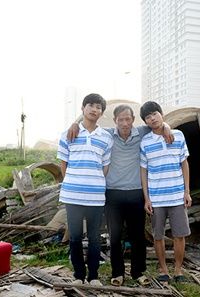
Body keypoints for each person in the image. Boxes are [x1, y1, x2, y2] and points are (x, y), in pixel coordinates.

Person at [67, 104, 173, 286]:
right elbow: (88, 123)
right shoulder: (107, 134)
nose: (125, 123)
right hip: (113, 195)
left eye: (128, 119)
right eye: (120, 120)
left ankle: (138, 272)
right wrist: (74, 124)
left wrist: (168, 127)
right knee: (115, 236)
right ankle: (117, 273)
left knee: (137, 236)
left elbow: (160, 124)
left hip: (135, 193)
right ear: (115, 121)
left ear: (133, 120)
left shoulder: (142, 132)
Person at [58, 93, 113, 286]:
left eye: (98, 107)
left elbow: (105, 167)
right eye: (90, 105)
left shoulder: (106, 137)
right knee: (74, 237)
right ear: (83, 109)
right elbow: (63, 164)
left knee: (94, 237)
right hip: (72, 195)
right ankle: (79, 276)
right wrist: (73, 181)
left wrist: (93, 181)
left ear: (102, 112)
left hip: (96, 196)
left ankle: (94, 276)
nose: (94, 109)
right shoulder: (69, 134)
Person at [139, 101, 191, 284]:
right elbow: (143, 171)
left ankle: (178, 270)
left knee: (179, 235)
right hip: (156, 197)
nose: (152, 118)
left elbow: (184, 163)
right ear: (145, 122)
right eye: (147, 117)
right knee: (158, 235)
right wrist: (147, 198)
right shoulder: (145, 142)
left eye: (154, 114)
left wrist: (187, 192)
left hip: (177, 196)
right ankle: (163, 269)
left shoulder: (178, 135)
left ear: (161, 114)